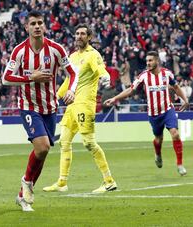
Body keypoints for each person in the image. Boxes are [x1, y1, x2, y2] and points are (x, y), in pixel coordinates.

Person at [2, 10, 78, 212]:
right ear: (26, 27)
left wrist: (71, 90)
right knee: (43, 147)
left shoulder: (56, 49)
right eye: (33, 23)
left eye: (40, 23)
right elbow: (6, 78)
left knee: (42, 153)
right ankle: (27, 182)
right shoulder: (19, 51)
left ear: (44, 26)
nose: (37, 26)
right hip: (28, 106)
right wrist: (30, 78)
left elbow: (73, 72)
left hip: (50, 107)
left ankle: (22, 195)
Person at [43, 24, 117, 194]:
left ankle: (109, 181)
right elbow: (69, 80)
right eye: (77, 33)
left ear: (89, 37)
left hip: (85, 104)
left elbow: (101, 70)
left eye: (83, 34)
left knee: (89, 143)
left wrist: (105, 78)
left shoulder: (93, 54)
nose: (79, 36)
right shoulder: (72, 56)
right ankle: (62, 182)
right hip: (71, 106)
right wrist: (56, 95)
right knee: (64, 142)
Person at [104, 51, 189, 176]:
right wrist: (115, 98)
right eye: (147, 61)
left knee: (175, 134)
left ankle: (180, 164)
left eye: (150, 60)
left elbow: (176, 87)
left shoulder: (167, 74)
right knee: (158, 139)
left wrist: (185, 99)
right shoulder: (143, 76)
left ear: (157, 61)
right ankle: (158, 154)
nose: (148, 63)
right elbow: (131, 90)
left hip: (168, 110)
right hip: (153, 113)